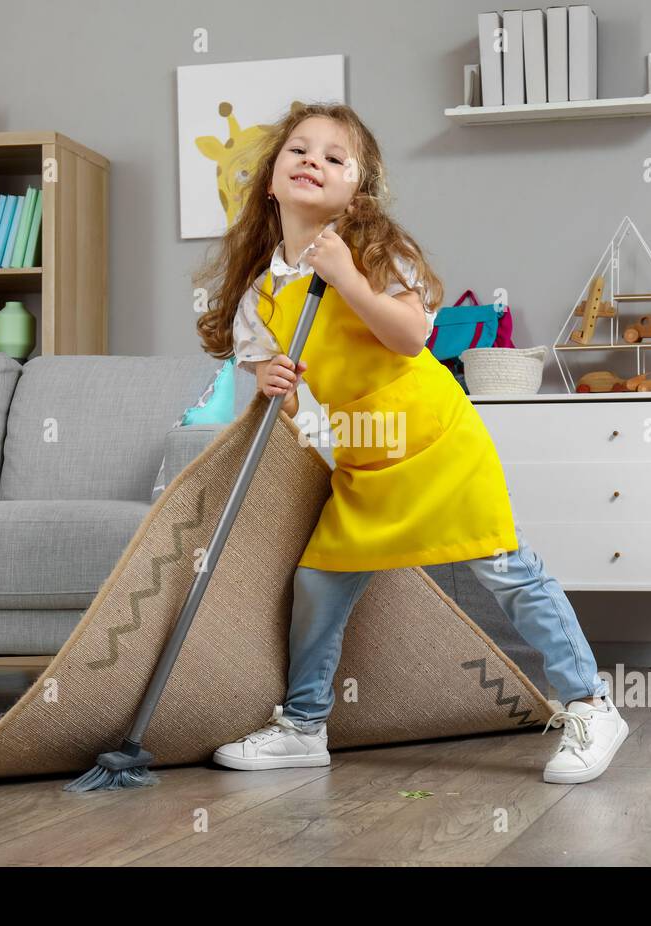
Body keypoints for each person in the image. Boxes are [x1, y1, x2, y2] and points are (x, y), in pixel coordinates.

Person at [192, 101, 626, 784]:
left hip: (437, 445)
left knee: (509, 573)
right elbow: (260, 364)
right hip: (365, 465)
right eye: (298, 151)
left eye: (335, 157)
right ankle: (305, 726)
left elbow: (410, 336)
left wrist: (345, 278)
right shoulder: (263, 290)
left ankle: (590, 705)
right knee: (317, 585)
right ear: (270, 180)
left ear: (356, 190)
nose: (314, 161)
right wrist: (265, 374)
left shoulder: (372, 253)